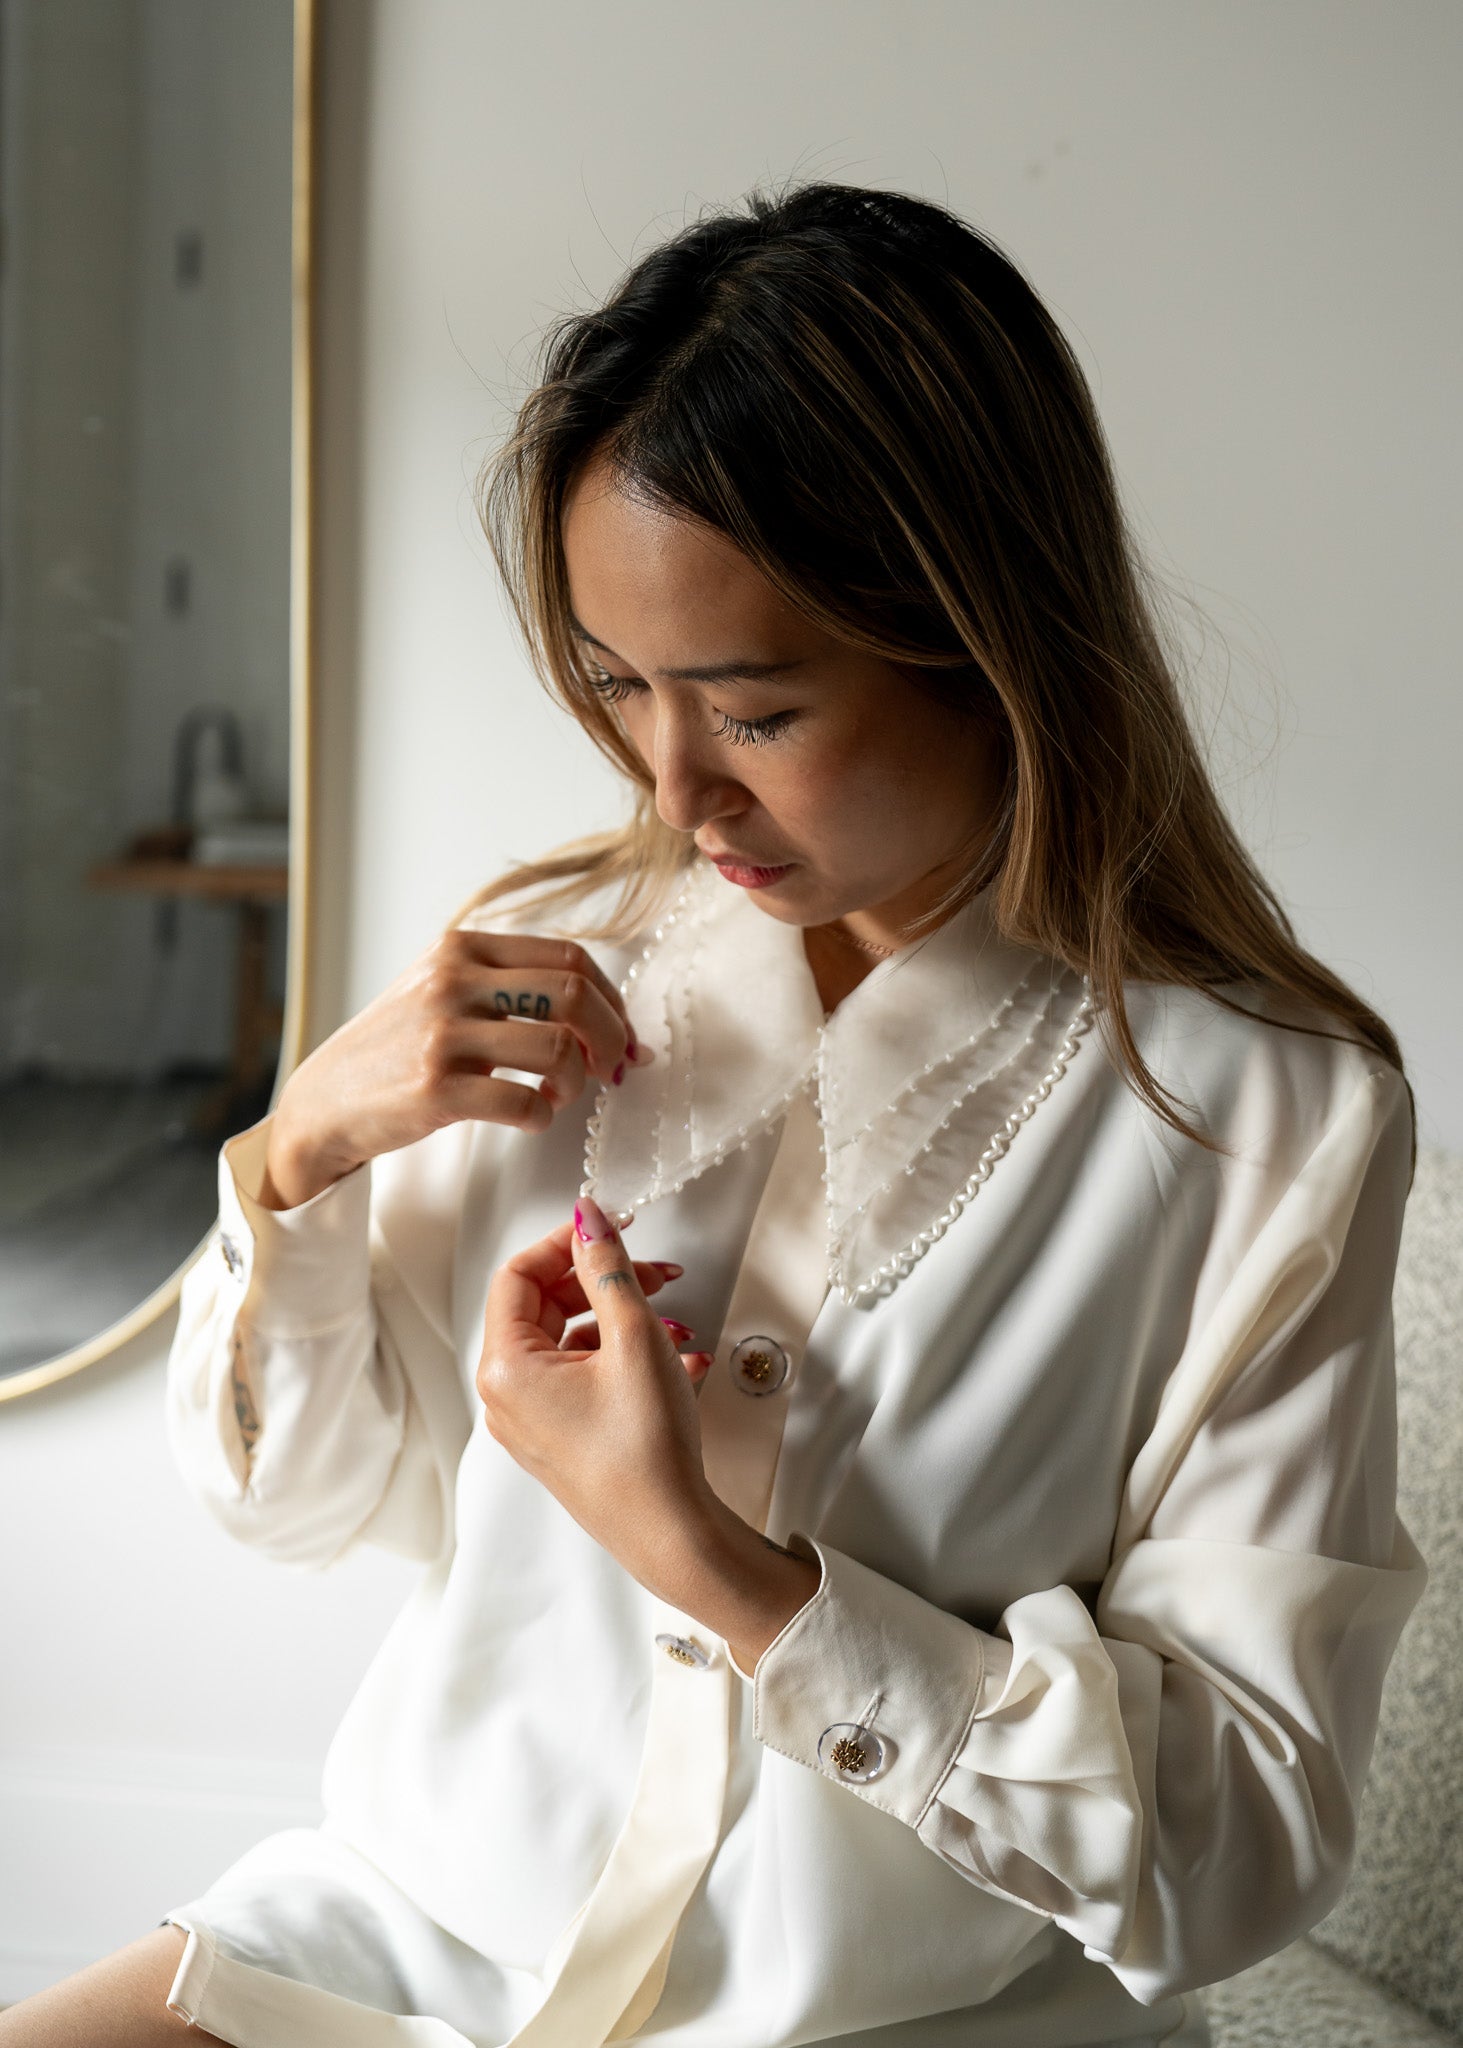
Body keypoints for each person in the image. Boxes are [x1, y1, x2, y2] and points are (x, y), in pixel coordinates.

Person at [2, 181, 1427, 2048]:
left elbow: (1237, 1842)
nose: (674, 791)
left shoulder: (1269, 1122)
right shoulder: (556, 977)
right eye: (615, 688)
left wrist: (723, 1574)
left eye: (753, 711)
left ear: (990, 641)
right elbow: (304, 1501)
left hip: (898, 2023)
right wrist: (295, 1162)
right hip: (415, 1945)